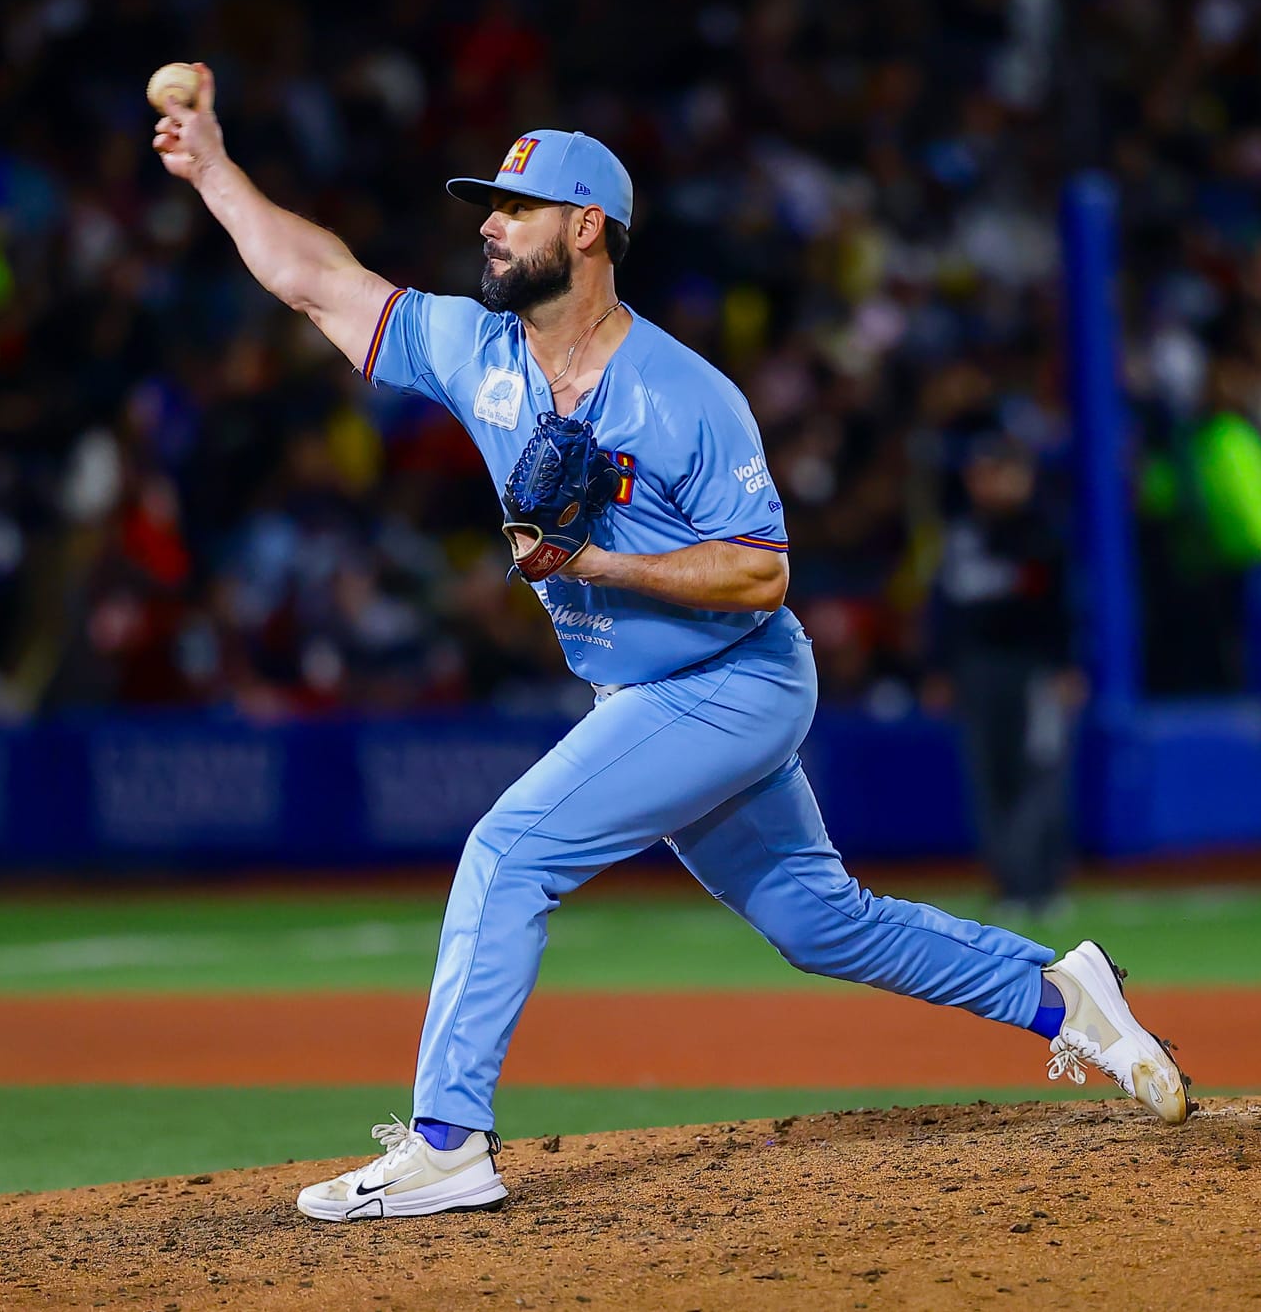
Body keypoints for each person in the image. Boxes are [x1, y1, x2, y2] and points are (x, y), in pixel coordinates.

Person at [152, 64, 1191, 1223]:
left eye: (514, 207)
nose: (488, 225)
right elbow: (312, 279)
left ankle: (447, 1141)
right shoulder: (475, 352)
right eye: (486, 207)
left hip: (732, 679)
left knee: (508, 852)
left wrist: (593, 563)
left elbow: (761, 572)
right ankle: (1058, 995)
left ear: (585, 228)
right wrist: (213, 166)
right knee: (817, 921)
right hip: (641, 693)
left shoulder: (682, 392)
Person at [929, 432, 1082, 920]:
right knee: (989, 777)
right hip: (977, 668)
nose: (987, 482)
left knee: (1038, 772)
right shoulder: (961, 532)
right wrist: (939, 668)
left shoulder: (1042, 530)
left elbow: (1060, 606)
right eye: (981, 473)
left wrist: (1064, 665)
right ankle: (1011, 884)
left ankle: (1042, 883)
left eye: (998, 472)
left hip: (1032, 667)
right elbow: (944, 609)